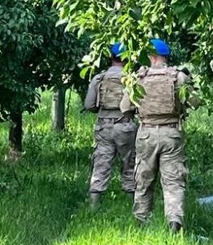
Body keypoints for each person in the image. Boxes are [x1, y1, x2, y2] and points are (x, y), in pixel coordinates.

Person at [120, 39, 199, 233]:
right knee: (173, 180)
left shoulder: (138, 78)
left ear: (151, 56)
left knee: (144, 179)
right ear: (165, 56)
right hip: (172, 134)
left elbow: (124, 108)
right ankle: (174, 223)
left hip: (146, 133)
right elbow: (196, 102)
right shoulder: (178, 77)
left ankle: (141, 222)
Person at [83, 42, 137, 210]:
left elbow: (89, 105)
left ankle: (93, 207)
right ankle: (132, 206)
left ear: (111, 57)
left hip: (103, 127)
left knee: (101, 164)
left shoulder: (99, 78)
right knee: (129, 165)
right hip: (125, 125)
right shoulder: (131, 79)